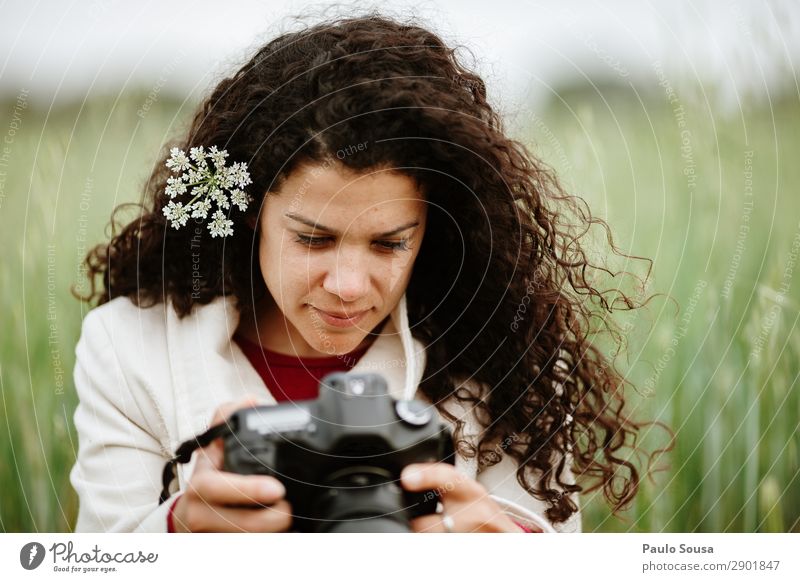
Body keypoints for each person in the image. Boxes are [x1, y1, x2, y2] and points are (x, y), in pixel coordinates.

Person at [70, 11, 652, 533]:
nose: (348, 286)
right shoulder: (127, 347)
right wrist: (179, 533)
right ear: (249, 214)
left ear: (436, 225)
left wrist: (509, 553)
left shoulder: (507, 350)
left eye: (389, 244)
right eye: (312, 239)